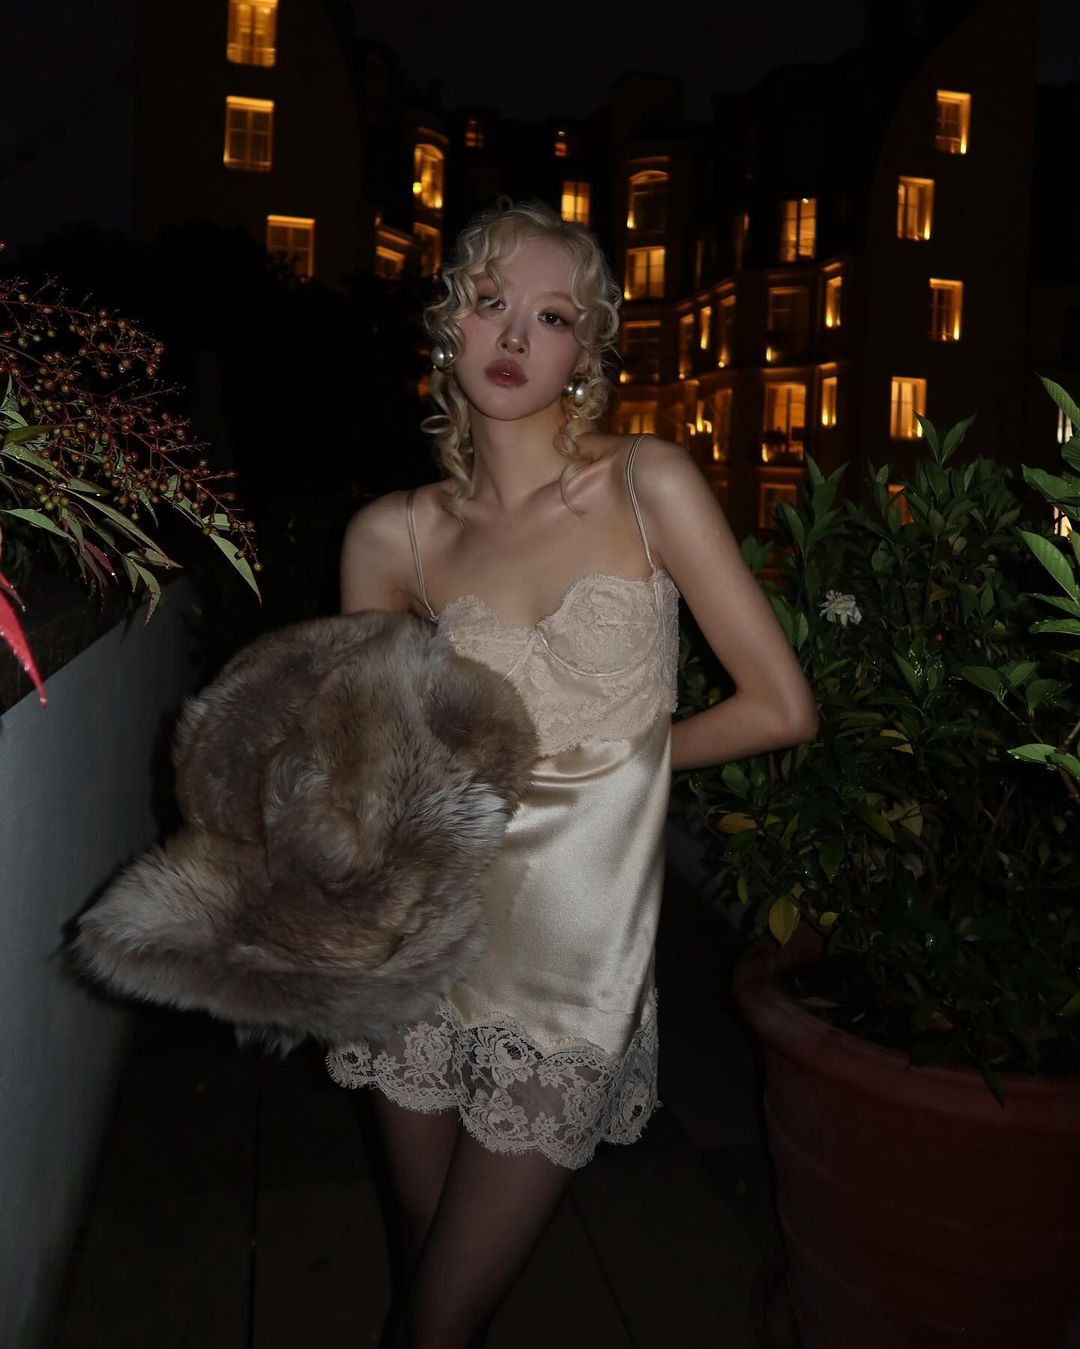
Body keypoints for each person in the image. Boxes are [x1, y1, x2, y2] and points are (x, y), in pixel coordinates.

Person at [325, 199, 818, 1348]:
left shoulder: (648, 483)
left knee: (440, 1311)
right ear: (448, 324)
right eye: (490, 302)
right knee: (424, 1255)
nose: (514, 335)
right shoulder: (391, 535)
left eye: (551, 317)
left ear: (587, 352)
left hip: (569, 964)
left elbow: (781, 705)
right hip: (420, 928)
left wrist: (603, 777)